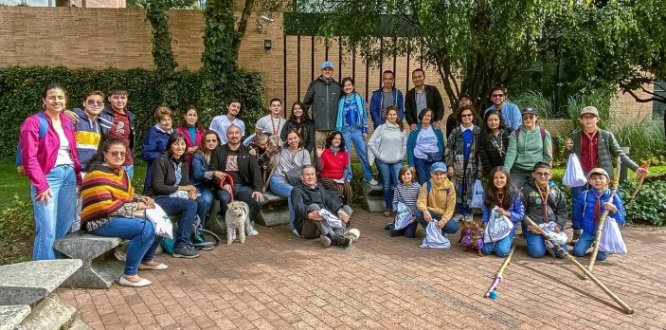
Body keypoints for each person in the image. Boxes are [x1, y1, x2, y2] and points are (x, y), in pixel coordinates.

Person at [80, 138, 165, 287]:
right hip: (99, 221)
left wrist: (141, 198)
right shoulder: (96, 175)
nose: (119, 157)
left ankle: (145, 260)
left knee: (160, 220)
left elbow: (126, 196)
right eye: (115, 153)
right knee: (146, 228)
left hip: (116, 216)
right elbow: (104, 208)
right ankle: (129, 275)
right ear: (105, 154)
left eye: (122, 154)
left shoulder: (121, 172)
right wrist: (137, 206)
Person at [565, 106, 647, 241]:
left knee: (612, 200)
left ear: (597, 119)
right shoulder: (574, 136)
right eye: (585, 117)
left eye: (591, 117)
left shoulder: (607, 135)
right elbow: (569, 158)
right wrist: (568, 149)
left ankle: (612, 230)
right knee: (577, 203)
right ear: (581, 120)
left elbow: (619, 154)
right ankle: (577, 231)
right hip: (581, 176)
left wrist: (636, 168)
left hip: (601, 176)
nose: (588, 120)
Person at [19, 84, 82, 260]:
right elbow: (29, 158)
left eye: (60, 97)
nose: (57, 101)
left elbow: (72, 152)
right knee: (47, 228)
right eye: (52, 97)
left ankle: (56, 268)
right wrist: (41, 185)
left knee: (63, 225)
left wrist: (77, 179)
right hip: (48, 177)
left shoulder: (67, 121)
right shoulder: (33, 122)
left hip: (69, 175)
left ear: (65, 100)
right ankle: (41, 274)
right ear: (44, 100)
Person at [145, 133, 201, 259]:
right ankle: (181, 245)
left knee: (197, 201)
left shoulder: (183, 162)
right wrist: (182, 188)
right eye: (176, 143)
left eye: (182, 144)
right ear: (170, 146)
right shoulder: (161, 161)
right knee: (190, 205)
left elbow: (186, 183)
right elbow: (158, 187)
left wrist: (191, 192)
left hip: (174, 197)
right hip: (158, 199)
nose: (180, 147)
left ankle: (193, 237)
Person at [209, 125, 264, 233]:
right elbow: (212, 171)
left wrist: (258, 189)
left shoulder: (248, 151)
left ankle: (246, 223)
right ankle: (232, 227)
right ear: (227, 135)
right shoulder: (218, 151)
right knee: (225, 199)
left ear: (241, 135)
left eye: (236, 133)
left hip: (243, 186)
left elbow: (256, 172)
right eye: (231, 133)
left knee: (258, 201)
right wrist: (222, 184)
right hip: (225, 187)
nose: (234, 136)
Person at [291, 166, 359, 248]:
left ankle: (336, 236)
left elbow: (330, 200)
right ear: (302, 177)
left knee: (346, 209)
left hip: (324, 224)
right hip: (308, 227)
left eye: (312, 174)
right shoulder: (297, 190)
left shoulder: (319, 186)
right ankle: (333, 237)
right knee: (314, 206)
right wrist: (308, 214)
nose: (310, 177)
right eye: (307, 175)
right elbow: (298, 206)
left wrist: (340, 211)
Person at [572, 168, 626, 261]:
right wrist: (578, 227)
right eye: (594, 178)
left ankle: (603, 247)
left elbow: (621, 219)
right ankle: (588, 243)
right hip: (588, 232)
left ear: (607, 181)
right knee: (578, 252)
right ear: (589, 181)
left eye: (601, 178)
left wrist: (613, 209)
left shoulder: (612, 197)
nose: (597, 180)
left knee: (600, 257)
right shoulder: (584, 195)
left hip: (604, 233)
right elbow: (577, 213)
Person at [521, 162, 568, 258]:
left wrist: (559, 226)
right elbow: (521, 212)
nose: (542, 176)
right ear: (533, 174)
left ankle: (545, 242)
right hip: (535, 228)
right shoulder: (526, 190)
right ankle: (538, 241)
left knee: (561, 254)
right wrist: (529, 226)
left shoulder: (556, 191)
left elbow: (562, 211)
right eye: (539, 173)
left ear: (550, 175)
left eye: (546, 174)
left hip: (552, 228)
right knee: (537, 253)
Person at [336, 77, 377, 185]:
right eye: (345, 86)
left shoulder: (359, 98)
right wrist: (339, 132)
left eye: (349, 85)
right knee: (346, 154)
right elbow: (338, 117)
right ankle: (348, 177)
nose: (347, 87)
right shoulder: (341, 100)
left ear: (353, 86)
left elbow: (364, 114)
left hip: (357, 130)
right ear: (343, 88)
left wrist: (365, 129)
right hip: (345, 131)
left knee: (363, 153)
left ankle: (368, 176)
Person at [367, 105, 407, 217]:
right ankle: (389, 208)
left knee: (399, 184)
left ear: (397, 116)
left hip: (397, 161)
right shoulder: (381, 128)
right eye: (390, 114)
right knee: (386, 186)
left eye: (394, 114)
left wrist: (401, 156)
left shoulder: (402, 129)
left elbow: (404, 145)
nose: (392, 116)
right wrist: (379, 155)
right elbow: (370, 142)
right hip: (383, 161)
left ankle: (400, 208)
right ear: (386, 116)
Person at [445, 106, 483, 220]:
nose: (466, 117)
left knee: (469, 189)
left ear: (473, 116)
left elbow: (482, 152)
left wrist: (480, 168)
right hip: (457, 166)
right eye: (464, 115)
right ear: (460, 117)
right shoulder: (455, 131)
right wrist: (449, 165)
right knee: (458, 189)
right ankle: (459, 212)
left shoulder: (478, 131)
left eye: (469, 115)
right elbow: (448, 149)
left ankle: (468, 212)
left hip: (473, 165)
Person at [270, 130, 312, 230]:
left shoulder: (304, 152)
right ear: (287, 141)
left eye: (295, 138)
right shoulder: (281, 151)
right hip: (278, 180)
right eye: (290, 139)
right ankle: (295, 227)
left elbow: (308, 169)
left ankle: (308, 222)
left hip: (295, 182)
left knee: (305, 192)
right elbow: (271, 148)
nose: (293, 140)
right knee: (293, 192)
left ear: (299, 139)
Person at [503, 106, 553, 189]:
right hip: (518, 170)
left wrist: (545, 171)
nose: (528, 119)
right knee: (511, 192)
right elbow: (511, 153)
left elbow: (548, 155)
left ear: (536, 118)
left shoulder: (544, 133)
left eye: (531, 117)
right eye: (525, 117)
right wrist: (506, 170)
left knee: (537, 195)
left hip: (537, 170)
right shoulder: (515, 133)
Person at [480, 166, 524, 257]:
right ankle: (499, 242)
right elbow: (486, 211)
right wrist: (485, 223)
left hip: (508, 228)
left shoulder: (515, 194)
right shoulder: (488, 192)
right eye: (495, 178)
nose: (499, 180)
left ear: (507, 178)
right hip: (492, 227)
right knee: (485, 250)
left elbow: (521, 215)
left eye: (502, 177)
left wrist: (506, 213)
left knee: (502, 252)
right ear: (491, 179)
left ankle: (506, 241)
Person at [414, 162, 458, 238]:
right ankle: (430, 230)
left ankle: (441, 230)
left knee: (453, 227)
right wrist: (425, 211)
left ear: (445, 174)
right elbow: (420, 201)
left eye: (441, 174)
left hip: (443, 214)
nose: (439, 176)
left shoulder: (450, 186)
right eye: (436, 174)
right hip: (430, 213)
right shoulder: (426, 185)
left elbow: (451, 207)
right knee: (418, 213)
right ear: (431, 174)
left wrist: (444, 220)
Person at [101, 86, 137, 180]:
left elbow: (130, 139)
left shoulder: (130, 116)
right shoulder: (102, 114)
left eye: (123, 97)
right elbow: (85, 112)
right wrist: (67, 111)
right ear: (109, 98)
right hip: (110, 163)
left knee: (125, 192)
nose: (120, 101)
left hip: (127, 162)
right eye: (116, 97)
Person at [303, 61, 341, 145]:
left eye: (329, 69)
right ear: (321, 70)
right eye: (325, 69)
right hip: (318, 128)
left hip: (334, 128)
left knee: (333, 153)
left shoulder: (337, 86)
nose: (327, 71)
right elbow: (305, 104)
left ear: (333, 71)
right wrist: (308, 121)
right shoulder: (314, 85)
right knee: (319, 155)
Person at [191, 130, 222, 229]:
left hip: (213, 185)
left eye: (214, 140)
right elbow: (197, 175)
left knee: (208, 200)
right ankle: (198, 228)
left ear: (218, 142)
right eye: (208, 141)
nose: (211, 143)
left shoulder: (222, 154)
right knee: (203, 200)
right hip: (199, 184)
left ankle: (200, 227)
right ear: (204, 142)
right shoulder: (198, 155)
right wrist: (213, 173)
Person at [407, 108, 446, 184]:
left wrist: (442, 161)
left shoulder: (436, 129)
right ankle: (423, 196)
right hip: (419, 159)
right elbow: (410, 147)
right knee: (422, 180)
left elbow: (441, 145)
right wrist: (411, 164)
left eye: (429, 115)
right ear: (421, 116)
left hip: (434, 159)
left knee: (432, 180)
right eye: (425, 115)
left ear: (431, 118)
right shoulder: (415, 129)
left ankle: (431, 196)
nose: (427, 117)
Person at [142, 106, 175, 193]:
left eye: (169, 119)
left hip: (170, 168)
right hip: (156, 168)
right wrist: (164, 156)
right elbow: (147, 153)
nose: (167, 122)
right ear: (159, 121)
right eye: (164, 120)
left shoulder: (174, 133)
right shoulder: (153, 133)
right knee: (153, 193)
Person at [316, 131, 353, 205]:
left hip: (340, 179)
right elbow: (319, 168)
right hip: (326, 178)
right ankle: (336, 209)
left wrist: (343, 178)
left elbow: (346, 168)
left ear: (341, 141)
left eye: (339, 139)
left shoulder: (344, 153)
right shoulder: (325, 152)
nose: (337, 140)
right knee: (338, 189)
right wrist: (319, 157)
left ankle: (346, 208)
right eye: (335, 138)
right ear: (331, 140)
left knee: (348, 188)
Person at [72, 91, 106, 172]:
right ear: (84, 103)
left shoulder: (100, 124)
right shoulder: (74, 119)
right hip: (73, 171)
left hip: (90, 170)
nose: (95, 104)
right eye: (91, 102)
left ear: (103, 106)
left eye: (99, 102)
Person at [386, 165, 421, 237]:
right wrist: (396, 213)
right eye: (403, 174)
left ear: (412, 175)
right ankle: (393, 225)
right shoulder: (398, 187)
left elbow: (420, 203)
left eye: (408, 174)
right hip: (401, 214)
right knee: (393, 233)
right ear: (400, 176)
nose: (406, 176)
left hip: (412, 216)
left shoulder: (418, 187)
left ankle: (402, 227)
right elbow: (395, 202)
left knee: (409, 235)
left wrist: (415, 217)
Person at [478, 110, 511, 176]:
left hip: (511, 168)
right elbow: (485, 159)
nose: (493, 122)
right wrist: (493, 173)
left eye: (496, 120)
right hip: (495, 171)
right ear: (486, 122)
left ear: (500, 120)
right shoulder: (482, 136)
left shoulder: (508, 132)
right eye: (490, 120)